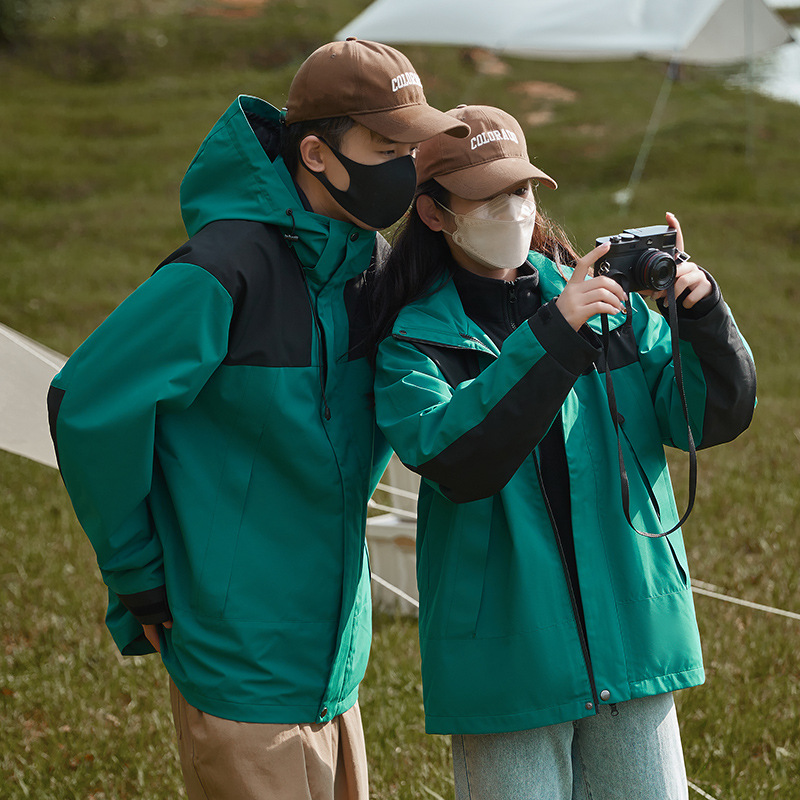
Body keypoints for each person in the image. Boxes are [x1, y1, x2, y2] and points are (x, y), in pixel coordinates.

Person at [47, 39, 469, 800]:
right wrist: (139, 575)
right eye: (386, 146)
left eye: (412, 147)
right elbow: (87, 404)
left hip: (334, 667)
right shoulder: (224, 269)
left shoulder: (368, 266)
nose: (404, 168)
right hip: (239, 665)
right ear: (315, 152)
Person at [371, 104, 756, 800]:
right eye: (487, 196)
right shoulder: (411, 344)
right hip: (506, 662)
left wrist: (704, 319)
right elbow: (460, 460)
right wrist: (554, 334)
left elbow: (706, 417)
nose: (514, 209)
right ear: (432, 213)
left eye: (521, 190)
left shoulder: (608, 302)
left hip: (635, 631)